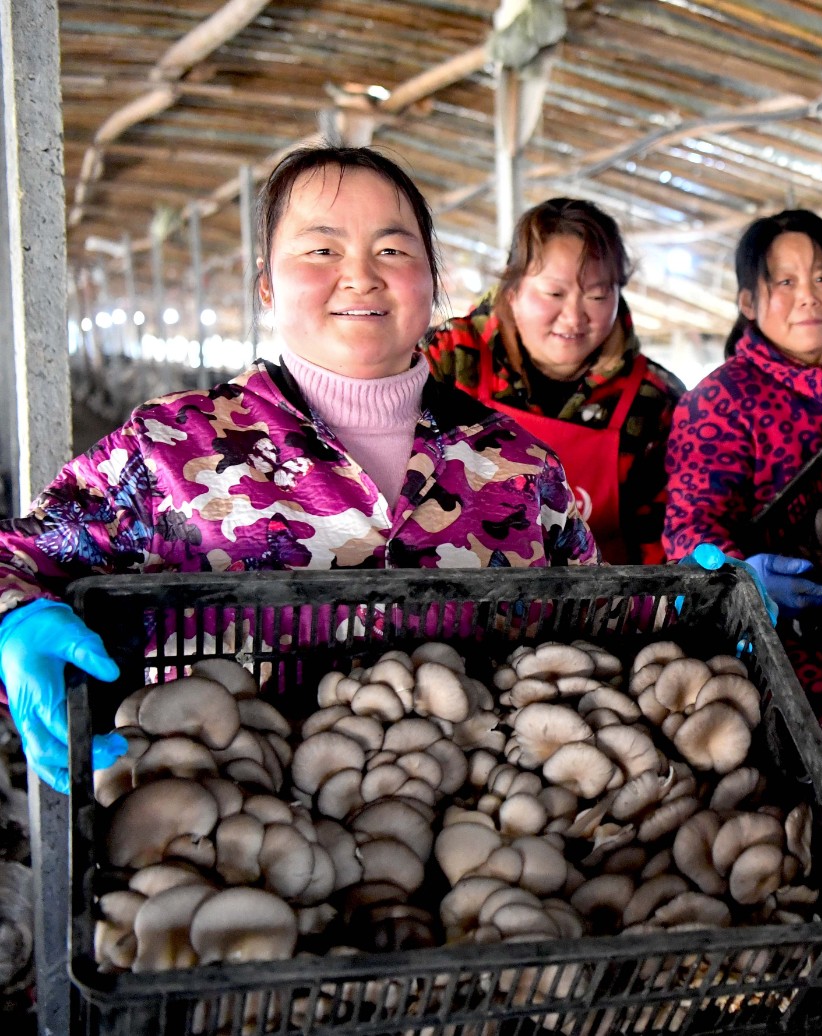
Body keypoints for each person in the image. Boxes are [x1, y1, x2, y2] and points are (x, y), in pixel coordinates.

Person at [0, 145, 598, 793]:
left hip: (480, 855)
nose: (361, 276)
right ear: (266, 282)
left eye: (393, 251)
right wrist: (14, 620)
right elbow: (17, 559)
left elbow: (601, 631)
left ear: (433, 277)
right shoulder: (170, 446)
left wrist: (703, 601)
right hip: (223, 850)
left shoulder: (519, 464)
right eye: (321, 250)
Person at [663, 209, 822, 809]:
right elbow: (688, 531)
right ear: (749, 302)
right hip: (795, 667)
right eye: (785, 282)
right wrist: (742, 576)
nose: (809, 297)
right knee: (816, 833)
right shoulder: (722, 400)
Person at [424, 199, 684, 564]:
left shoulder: (654, 399)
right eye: (555, 293)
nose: (574, 317)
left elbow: (664, 546)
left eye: (596, 295)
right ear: (512, 291)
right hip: (460, 602)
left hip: (602, 609)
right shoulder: (447, 358)